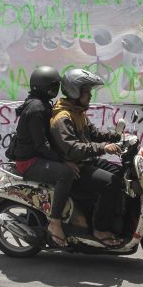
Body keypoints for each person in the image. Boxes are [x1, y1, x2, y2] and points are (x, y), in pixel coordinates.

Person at [50, 68, 124, 247]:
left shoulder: (77, 111)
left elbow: (93, 133)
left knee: (122, 173)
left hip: (86, 161)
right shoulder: (63, 116)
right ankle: (99, 228)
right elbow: (73, 148)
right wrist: (103, 148)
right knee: (110, 182)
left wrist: (115, 136)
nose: (90, 96)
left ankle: (115, 220)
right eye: (87, 92)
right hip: (77, 166)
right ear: (75, 92)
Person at [13, 65, 79, 247]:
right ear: (48, 87)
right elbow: (42, 145)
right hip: (29, 161)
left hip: (36, 157)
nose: (56, 90)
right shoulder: (36, 108)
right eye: (54, 86)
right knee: (65, 173)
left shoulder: (41, 103)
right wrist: (64, 160)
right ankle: (55, 222)